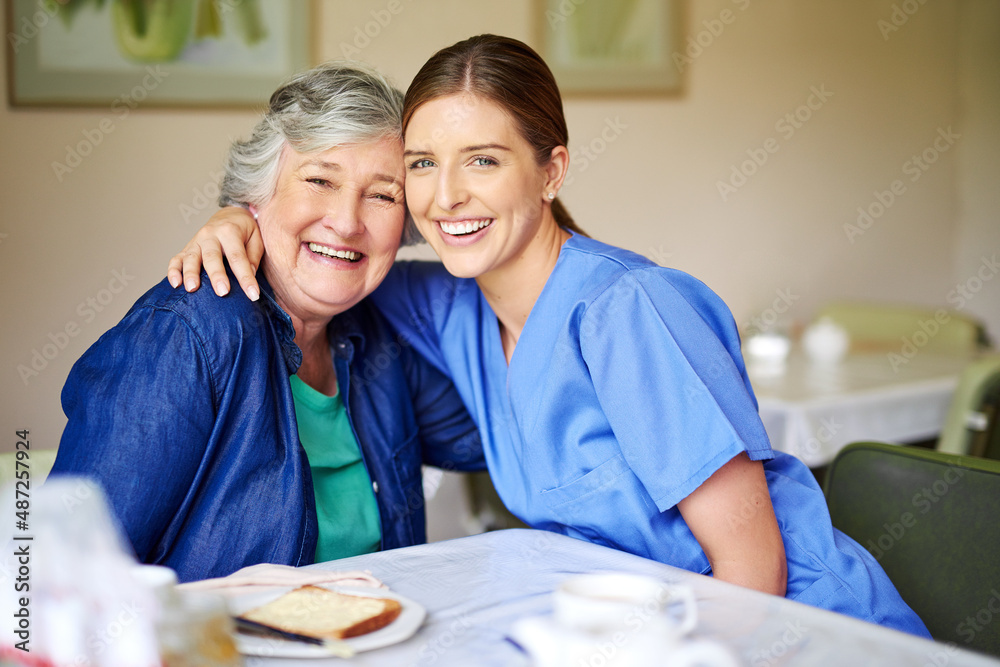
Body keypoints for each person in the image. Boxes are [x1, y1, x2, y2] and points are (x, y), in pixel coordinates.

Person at [169, 35, 930, 635]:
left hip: (794, 630)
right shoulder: (449, 304)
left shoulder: (629, 310)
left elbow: (752, 565)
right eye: (423, 164)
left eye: (484, 161)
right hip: (638, 629)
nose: (446, 196)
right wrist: (243, 216)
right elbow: (337, 262)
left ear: (551, 169)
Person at [50, 62, 484, 584]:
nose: (347, 222)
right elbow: (62, 581)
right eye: (320, 180)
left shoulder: (377, 332)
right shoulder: (188, 336)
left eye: (382, 194)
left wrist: (504, 217)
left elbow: (508, 434)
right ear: (255, 196)